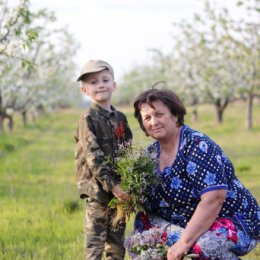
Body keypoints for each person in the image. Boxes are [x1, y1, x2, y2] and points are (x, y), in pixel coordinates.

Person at [129, 88, 259, 260]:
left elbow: (214, 199)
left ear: (175, 115)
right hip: (185, 223)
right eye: (147, 118)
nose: (154, 122)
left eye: (159, 114)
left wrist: (183, 243)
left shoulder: (198, 146)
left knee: (202, 247)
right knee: (139, 241)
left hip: (232, 219)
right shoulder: (149, 156)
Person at [74, 59, 133, 260]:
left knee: (117, 241)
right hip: (98, 190)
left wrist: (127, 183)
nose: (100, 85)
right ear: (84, 90)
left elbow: (128, 151)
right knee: (96, 242)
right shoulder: (88, 118)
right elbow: (93, 157)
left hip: (119, 192)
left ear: (114, 85)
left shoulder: (121, 118)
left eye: (105, 79)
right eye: (93, 82)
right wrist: (113, 186)